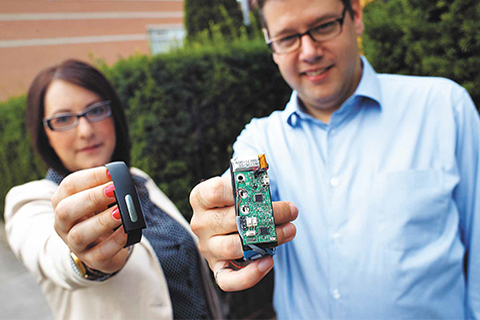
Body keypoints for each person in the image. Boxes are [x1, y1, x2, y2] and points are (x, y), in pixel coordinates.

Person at [189, 0, 480, 319]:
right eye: (287, 38)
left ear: (355, 15)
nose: (309, 51)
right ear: (271, 43)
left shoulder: (444, 109)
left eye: (324, 26)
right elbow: (238, 221)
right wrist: (221, 235)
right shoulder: (259, 142)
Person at [4, 59, 221, 320]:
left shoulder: (139, 180)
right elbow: (50, 254)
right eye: (63, 119)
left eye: (95, 111)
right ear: (45, 134)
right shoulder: (29, 201)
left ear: (114, 115)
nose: (85, 130)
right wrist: (86, 258)